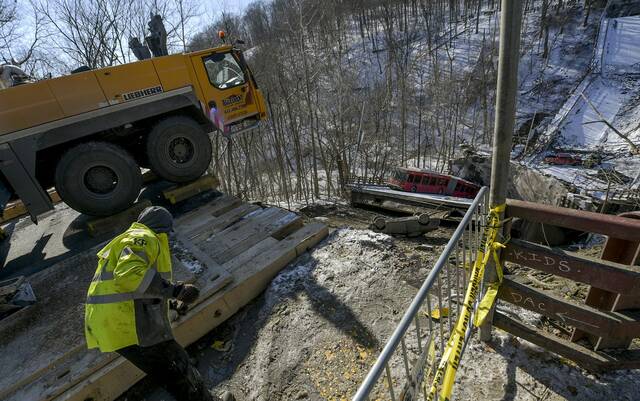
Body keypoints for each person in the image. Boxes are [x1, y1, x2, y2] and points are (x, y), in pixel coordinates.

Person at [84, 206, 235, 401]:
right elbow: (129, 276)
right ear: (163, 229)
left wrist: (170, 302)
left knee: (169, 373)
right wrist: (175, 291)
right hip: (131, 324)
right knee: (178, 368)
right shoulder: (144, 237)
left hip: (115, 325)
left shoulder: (126, 240)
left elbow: (131, 286)